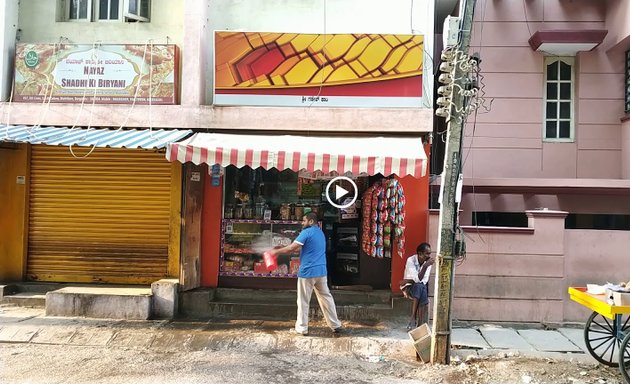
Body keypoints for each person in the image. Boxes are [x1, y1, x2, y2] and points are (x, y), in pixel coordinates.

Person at [266, 212, 342, 336]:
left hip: (307, 272)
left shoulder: (306, 232)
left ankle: (302, 328)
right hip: (321, 271)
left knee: (303, 301)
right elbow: (302, 247)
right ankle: (335, 324)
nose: (302, 223)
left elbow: (292, 248)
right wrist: (283, 247)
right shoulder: (320, 233)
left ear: (311, 221)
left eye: (304, 220)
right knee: (326, 298)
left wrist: (275, 252)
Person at [401, 242, 434, 330]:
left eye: (429, 253)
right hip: (408, 288)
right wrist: (425, 266)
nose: (429, 256)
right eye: (427, 253)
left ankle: (415, 321)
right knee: (421, 289)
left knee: (420, 287)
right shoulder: (410, 260)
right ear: (420, 254)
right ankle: (415, 319)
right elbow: (417, 279)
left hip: (419, 287)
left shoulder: (428, 263)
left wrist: (409, 280)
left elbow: (423, 280)